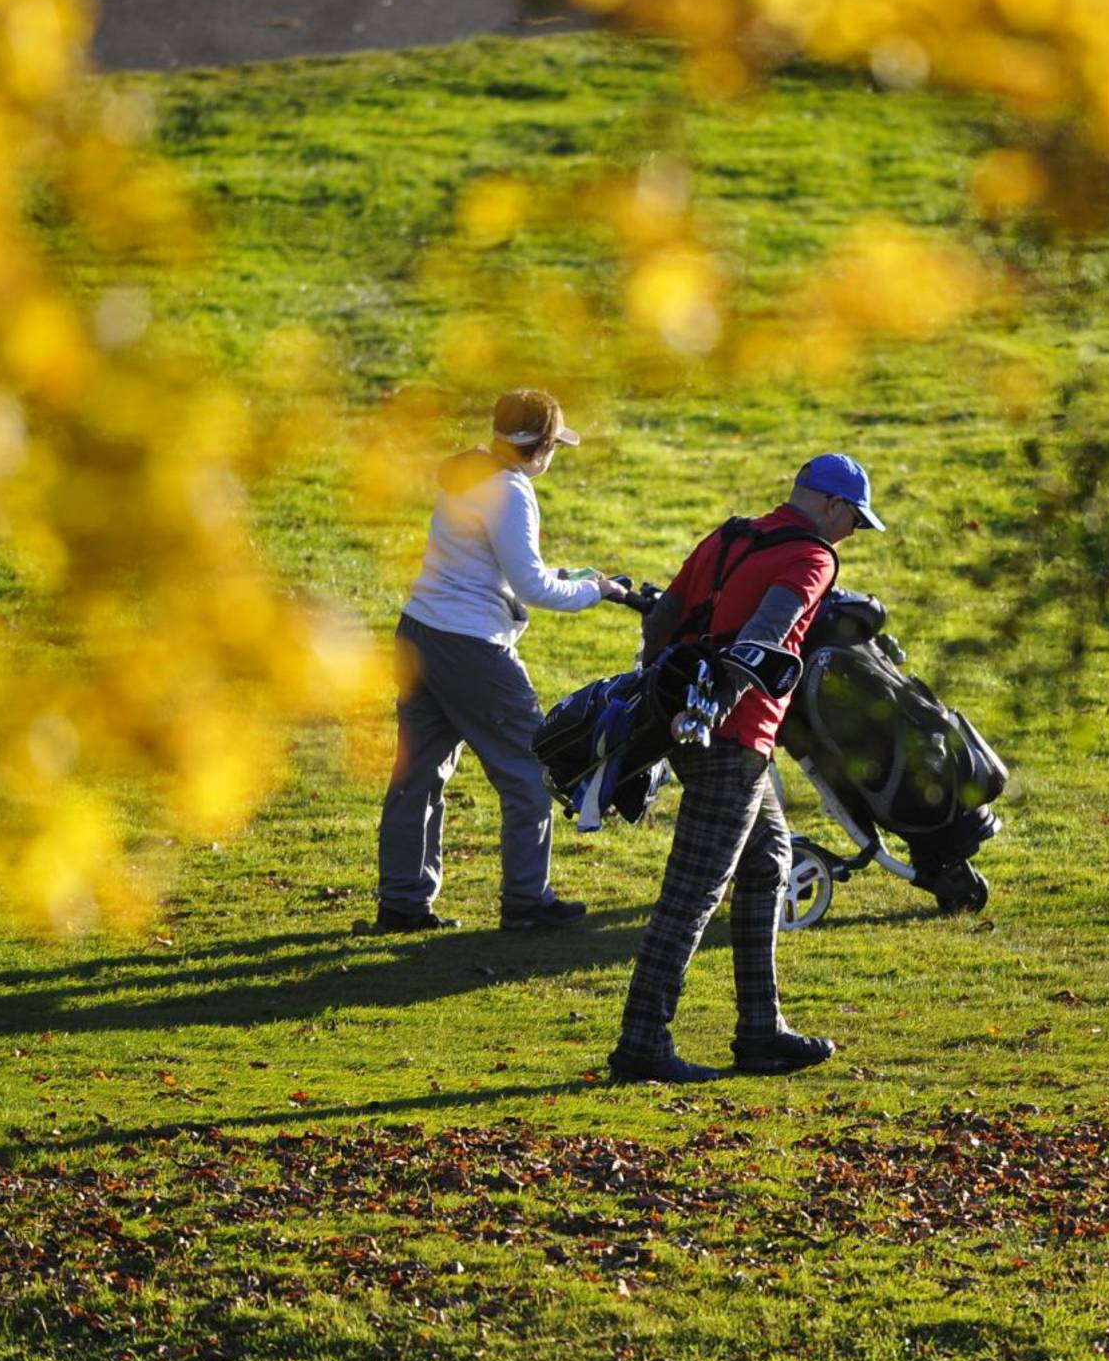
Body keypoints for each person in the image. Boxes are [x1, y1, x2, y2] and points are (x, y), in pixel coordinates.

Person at [608, 453, 886, 1083]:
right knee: (693, 894)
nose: (852, 535)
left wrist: (667, 694)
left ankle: (761, 1031)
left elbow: (663, 620)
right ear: (834, 506)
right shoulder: (813, 556)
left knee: (769, 864)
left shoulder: (729, 535)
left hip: (694, 725)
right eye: (855, 522)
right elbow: (765, 635)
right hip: (729, 735)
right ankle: (642, 1043)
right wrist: (717, 704)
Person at [375, 389, 625, 933]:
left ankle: (402, 902)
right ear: (538, 448)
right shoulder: (511, 491)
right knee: (530, 773)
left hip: (420, 633)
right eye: (554, 445)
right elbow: (532, 586)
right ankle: (526, 902)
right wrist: (596, 593)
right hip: (472, 649)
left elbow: (502, 566)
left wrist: (577, 577)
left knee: (416, 775)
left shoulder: (469, 474)